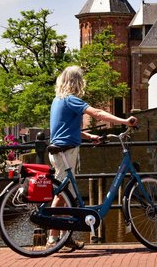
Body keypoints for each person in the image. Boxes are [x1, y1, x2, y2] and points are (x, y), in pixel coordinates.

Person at [47, 65, 137, 250]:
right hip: (66, 152)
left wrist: (89, 137)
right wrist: (124, 121)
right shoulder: (71, 99)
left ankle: (65, 238)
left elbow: (64, 129)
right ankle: (51, 239)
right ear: (76, 82)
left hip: (63, 149)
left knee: (68, 196)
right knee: (62, 195)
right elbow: (97, 113)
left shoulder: (58, 100)